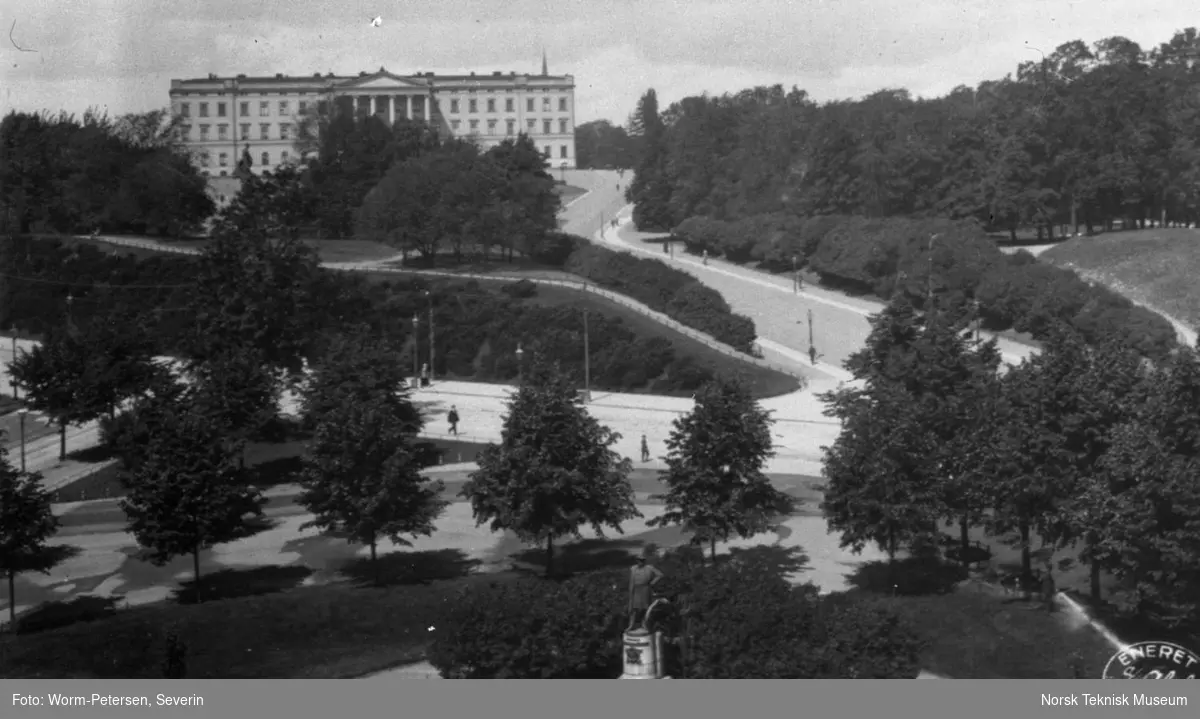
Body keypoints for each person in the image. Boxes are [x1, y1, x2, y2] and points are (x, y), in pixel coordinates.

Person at [628, 549, 664, 630]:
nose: (641, 562)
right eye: (639, 560)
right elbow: (631, 581)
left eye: (642, 560)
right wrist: (631, 591)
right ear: (637, 560)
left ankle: (644, 623)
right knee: (634, 608)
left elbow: (660, 574)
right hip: (637, 589)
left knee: (645, 608)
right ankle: (631, 624)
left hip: (646, 589)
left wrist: (653, 582)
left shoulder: (649, 568)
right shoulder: (633, 569)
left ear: (644, 561)